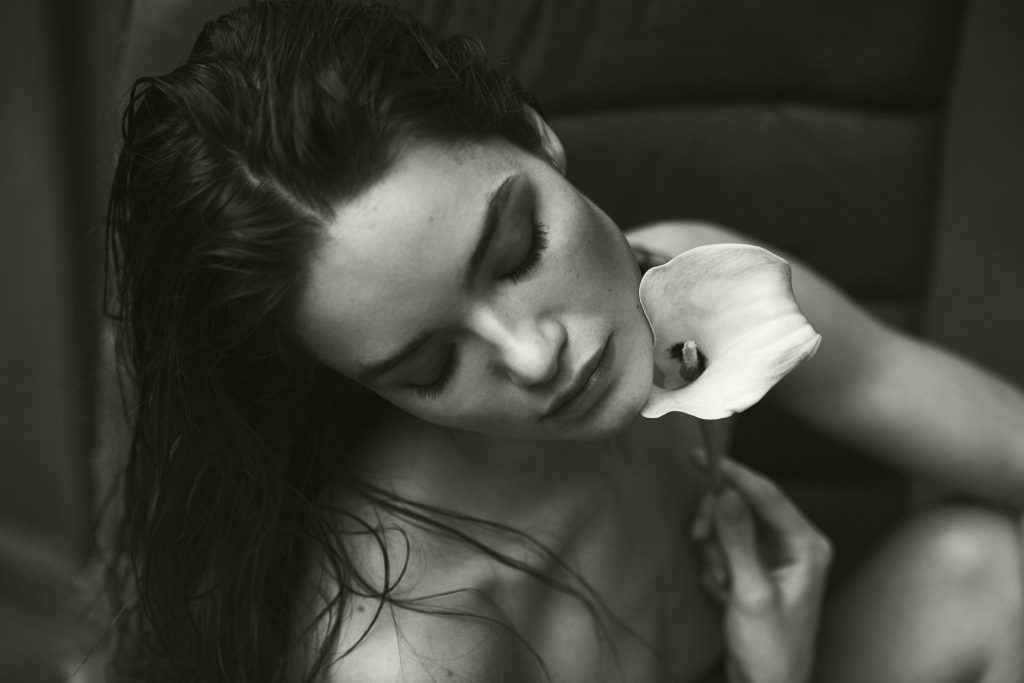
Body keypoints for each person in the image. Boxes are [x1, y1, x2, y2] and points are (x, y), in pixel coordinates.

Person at [101, 1, 1024, 681]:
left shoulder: (683, 285)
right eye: (430, 366)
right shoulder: (418, 645)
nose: (533, 354)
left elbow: (905, 390)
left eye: (517, 252)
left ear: (537, 136)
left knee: (985, 571)